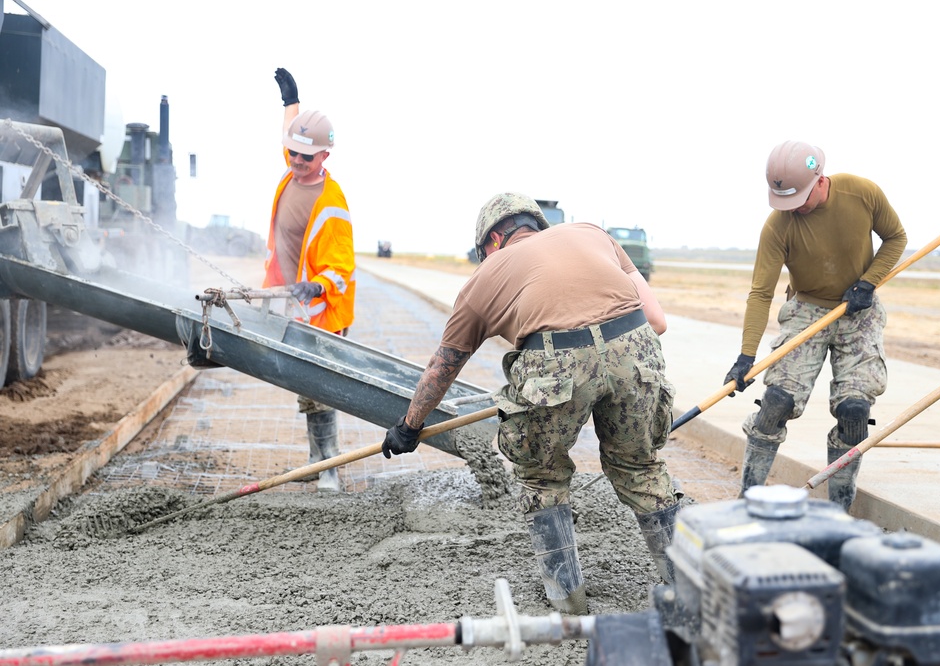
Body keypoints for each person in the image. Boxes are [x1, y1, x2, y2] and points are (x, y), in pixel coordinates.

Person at [380, 192, 684, 614]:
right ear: (537, 225)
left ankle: (569, 603)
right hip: (636, 351)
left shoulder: (486, 276)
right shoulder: (593, 234)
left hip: (555, 364)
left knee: (543, 478)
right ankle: (691, 588)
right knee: (642, 469)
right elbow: (658, 322)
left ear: (493, 240)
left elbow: (443, 365)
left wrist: (410, 425)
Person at [725, 140, 907, 512]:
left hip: (858, 310)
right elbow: (760, 293)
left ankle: (839, 509)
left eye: (800, 199)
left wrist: (868, 282)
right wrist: (746, 356)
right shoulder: (778, 226)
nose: (795, 209)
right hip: (807, 308)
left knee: (853, 411)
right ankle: (747, 501)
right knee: (775, 404)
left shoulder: (862, 192)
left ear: (820, 180)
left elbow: (896, 238)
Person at [263, 67, 356, 492]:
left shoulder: (331, 201)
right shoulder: (291, 171)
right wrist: (290, 101)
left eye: (306, 157)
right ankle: (318, 460)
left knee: (320, 388)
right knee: (305, 386)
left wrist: (316, 286)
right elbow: (293, 134)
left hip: (320, 310)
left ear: (324, 158)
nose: (297, 162)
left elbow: (343, 265)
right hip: (291, 302)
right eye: (292, 154)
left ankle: (330, 467)